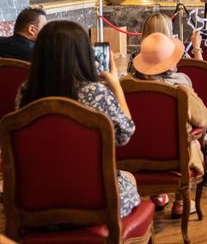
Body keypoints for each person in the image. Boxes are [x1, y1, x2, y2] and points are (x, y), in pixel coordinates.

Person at [16, 20, 140, 218]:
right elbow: (124, 135)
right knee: (129, 179)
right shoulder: (95, 93)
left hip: (36, 198)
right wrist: (116, 86)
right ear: (84, 54)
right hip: (92, 199)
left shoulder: (25, 92)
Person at [131, 32, 207, 218]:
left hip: (136, 154)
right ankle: (181, 201)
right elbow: (202, 119)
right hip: (173, 156)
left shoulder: (127, 87)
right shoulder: (180, 88)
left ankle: (156, 195)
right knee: (191, 142)